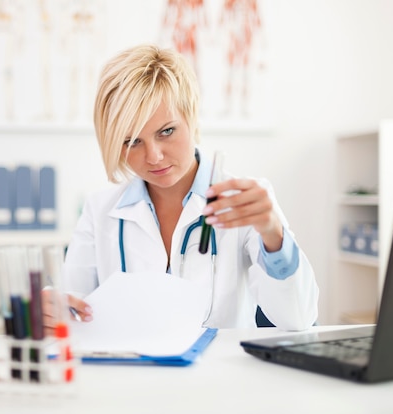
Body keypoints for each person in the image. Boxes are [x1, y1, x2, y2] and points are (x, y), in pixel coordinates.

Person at [52, 44, 318, 330]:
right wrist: (53, 309)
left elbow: (298, 318)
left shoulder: (245, 201)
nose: (153, 156)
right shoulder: (99, 210)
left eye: (166, 131)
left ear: (191, 117)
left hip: (219, 372)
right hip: (132, 372)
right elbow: (72, 304)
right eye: (132, 141)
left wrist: (272, 234)